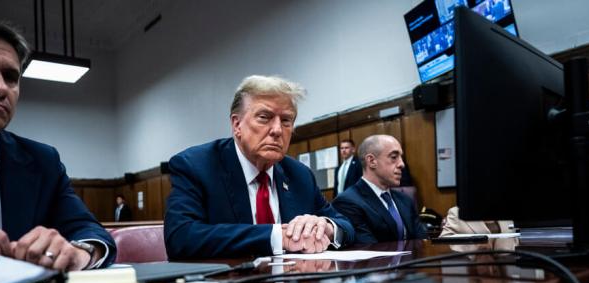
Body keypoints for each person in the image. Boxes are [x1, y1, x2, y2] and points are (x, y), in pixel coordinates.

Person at [0, 17, 115, 272]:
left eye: (11, 77)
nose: (0, 88)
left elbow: (89, 231)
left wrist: (79, 252)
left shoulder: (43, 160)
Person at [165, 75, 355, 259]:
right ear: (237, 124)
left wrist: (326, 228)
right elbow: (181, 237)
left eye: (286, 121)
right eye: (264, 117)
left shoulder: (299, 174)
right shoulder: (197, 165)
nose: (277, 130)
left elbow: (346, 225)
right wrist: (276, 237)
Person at [332, 135, 427, 243]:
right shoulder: (347, 203)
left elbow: (423, 243)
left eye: (401, 157)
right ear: (372, 161)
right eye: (394, 157)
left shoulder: (405, 200)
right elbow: (371, 251)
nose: (402, 164)